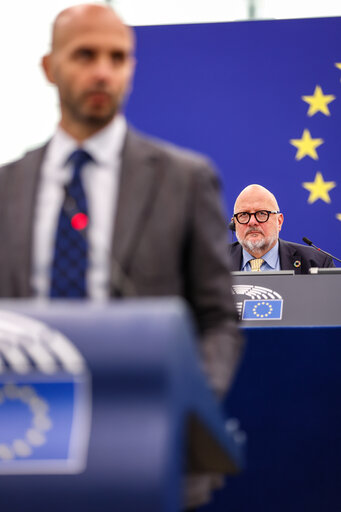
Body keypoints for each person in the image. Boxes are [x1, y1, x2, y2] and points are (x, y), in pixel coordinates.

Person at [0, 4, 242, 508]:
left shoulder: (185, 179)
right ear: (49, 68)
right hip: (26, 444)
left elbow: (219, 319)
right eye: (85, 55)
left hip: (149, 450)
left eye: (118, 57)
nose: (103, 71)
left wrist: (187, 404)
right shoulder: (8, 186)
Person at [229, 184, 334, 272]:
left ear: (279, 222)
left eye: (262, 213)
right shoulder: (214, 263)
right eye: (243, 215)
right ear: (234, 223)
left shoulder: (316, 263)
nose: (252, 222)